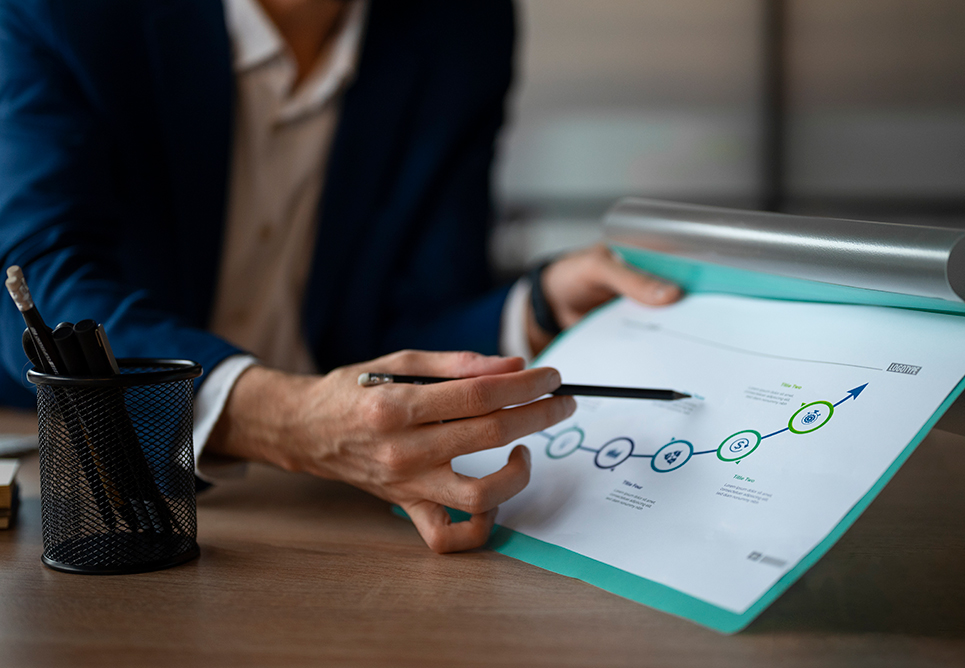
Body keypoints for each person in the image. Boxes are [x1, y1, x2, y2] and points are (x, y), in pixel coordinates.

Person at [0, 0, 679, 552]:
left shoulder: (461, 26)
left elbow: (413, 312)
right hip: (81, 482)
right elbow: (42, 273)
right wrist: (284, 417)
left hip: (338, 507)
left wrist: (532, 308)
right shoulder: (63, 13)